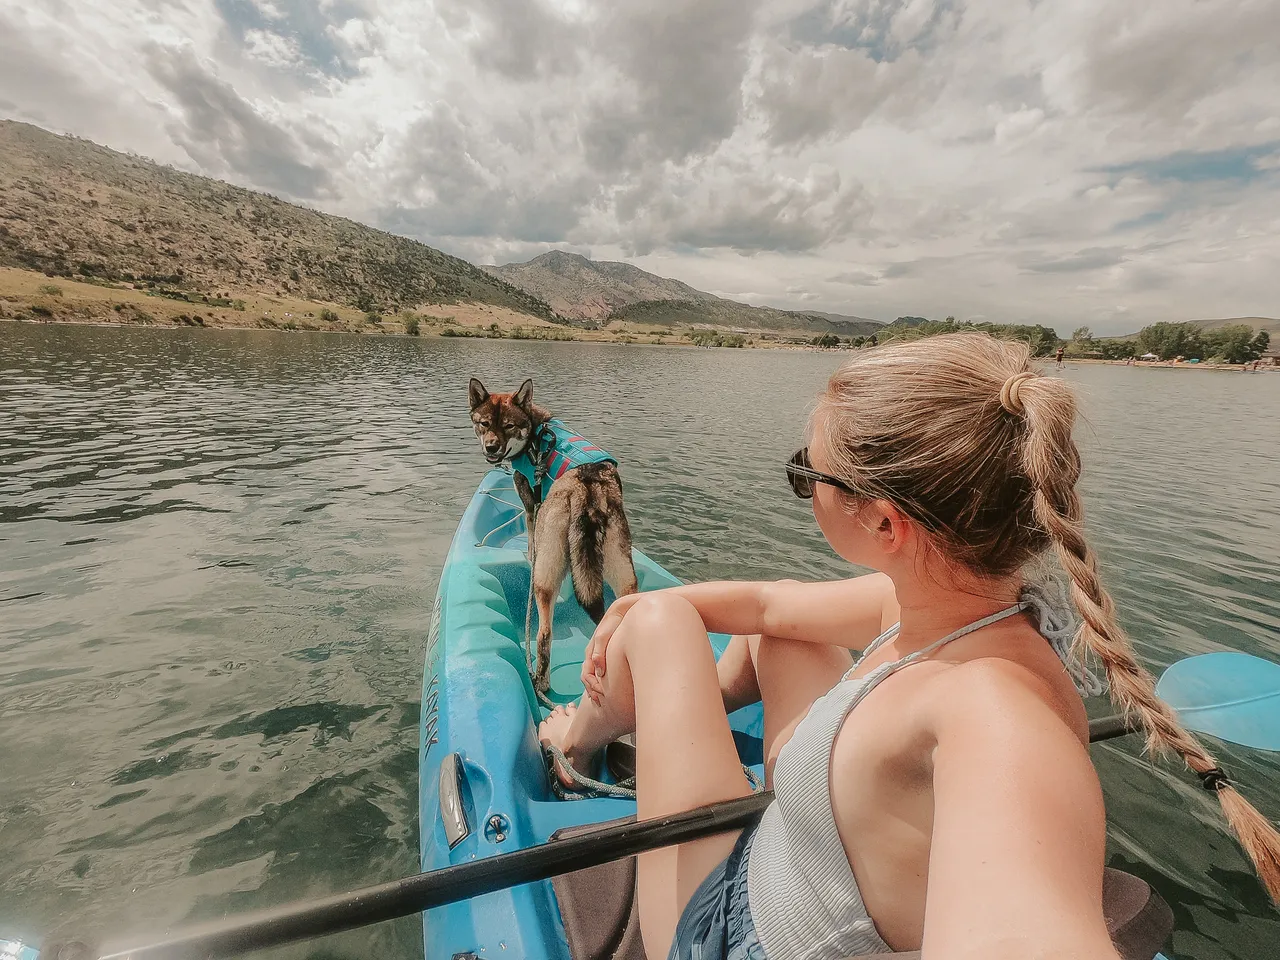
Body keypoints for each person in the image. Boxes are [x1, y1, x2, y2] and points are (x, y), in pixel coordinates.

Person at [539, 332, 1280, 960]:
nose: (802, 481)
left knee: (661, 626)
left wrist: (641, 618)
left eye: (809, 473)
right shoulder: (951, 601)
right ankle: (653, 724)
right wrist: (637, 603)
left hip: (731, 932)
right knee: (770, 635)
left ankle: (578, 744)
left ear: (887, 525)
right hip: (800, 857)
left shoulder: (994, 717)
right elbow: (769, 605)